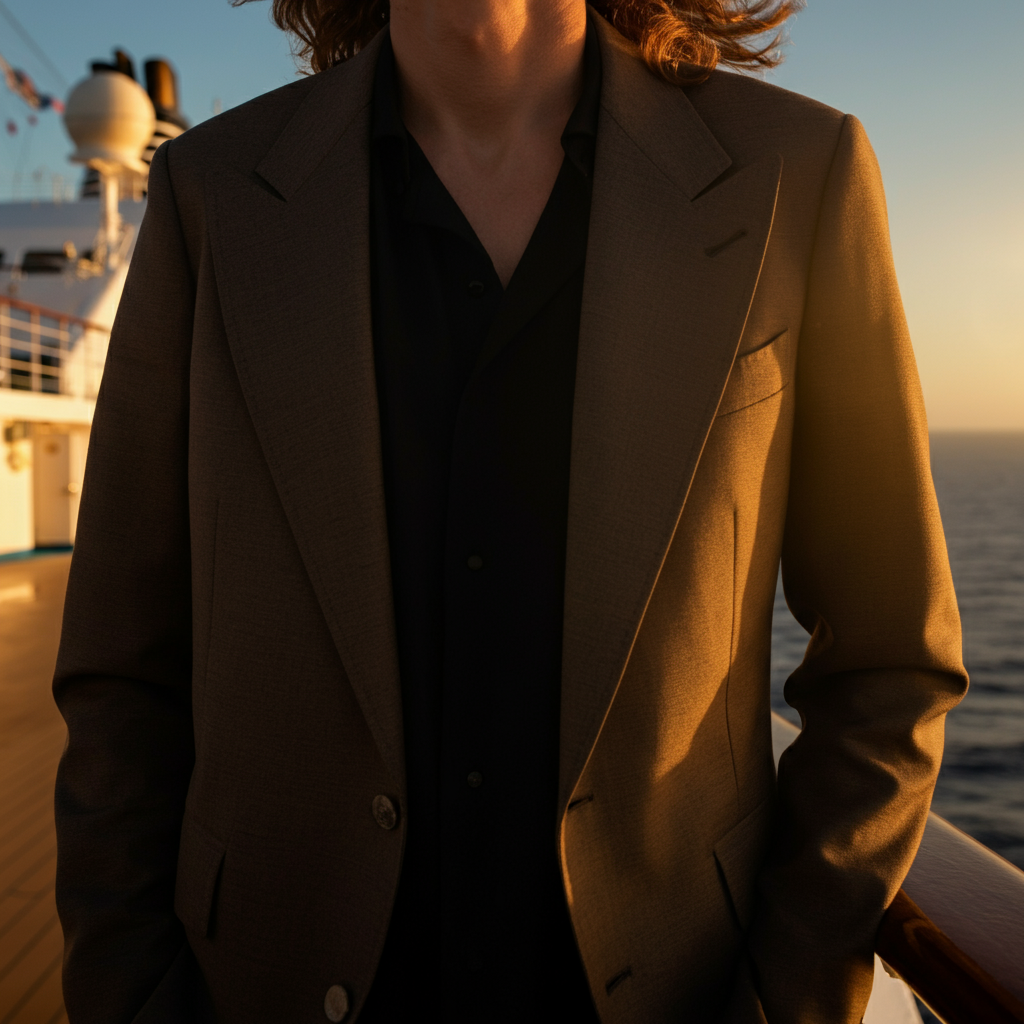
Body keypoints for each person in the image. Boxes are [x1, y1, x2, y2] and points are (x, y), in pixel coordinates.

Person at [52, 0, 969, 1021]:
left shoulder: (799, 172)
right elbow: (121, 668)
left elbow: (890, 659)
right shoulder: (209, 193)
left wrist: (785, 999)